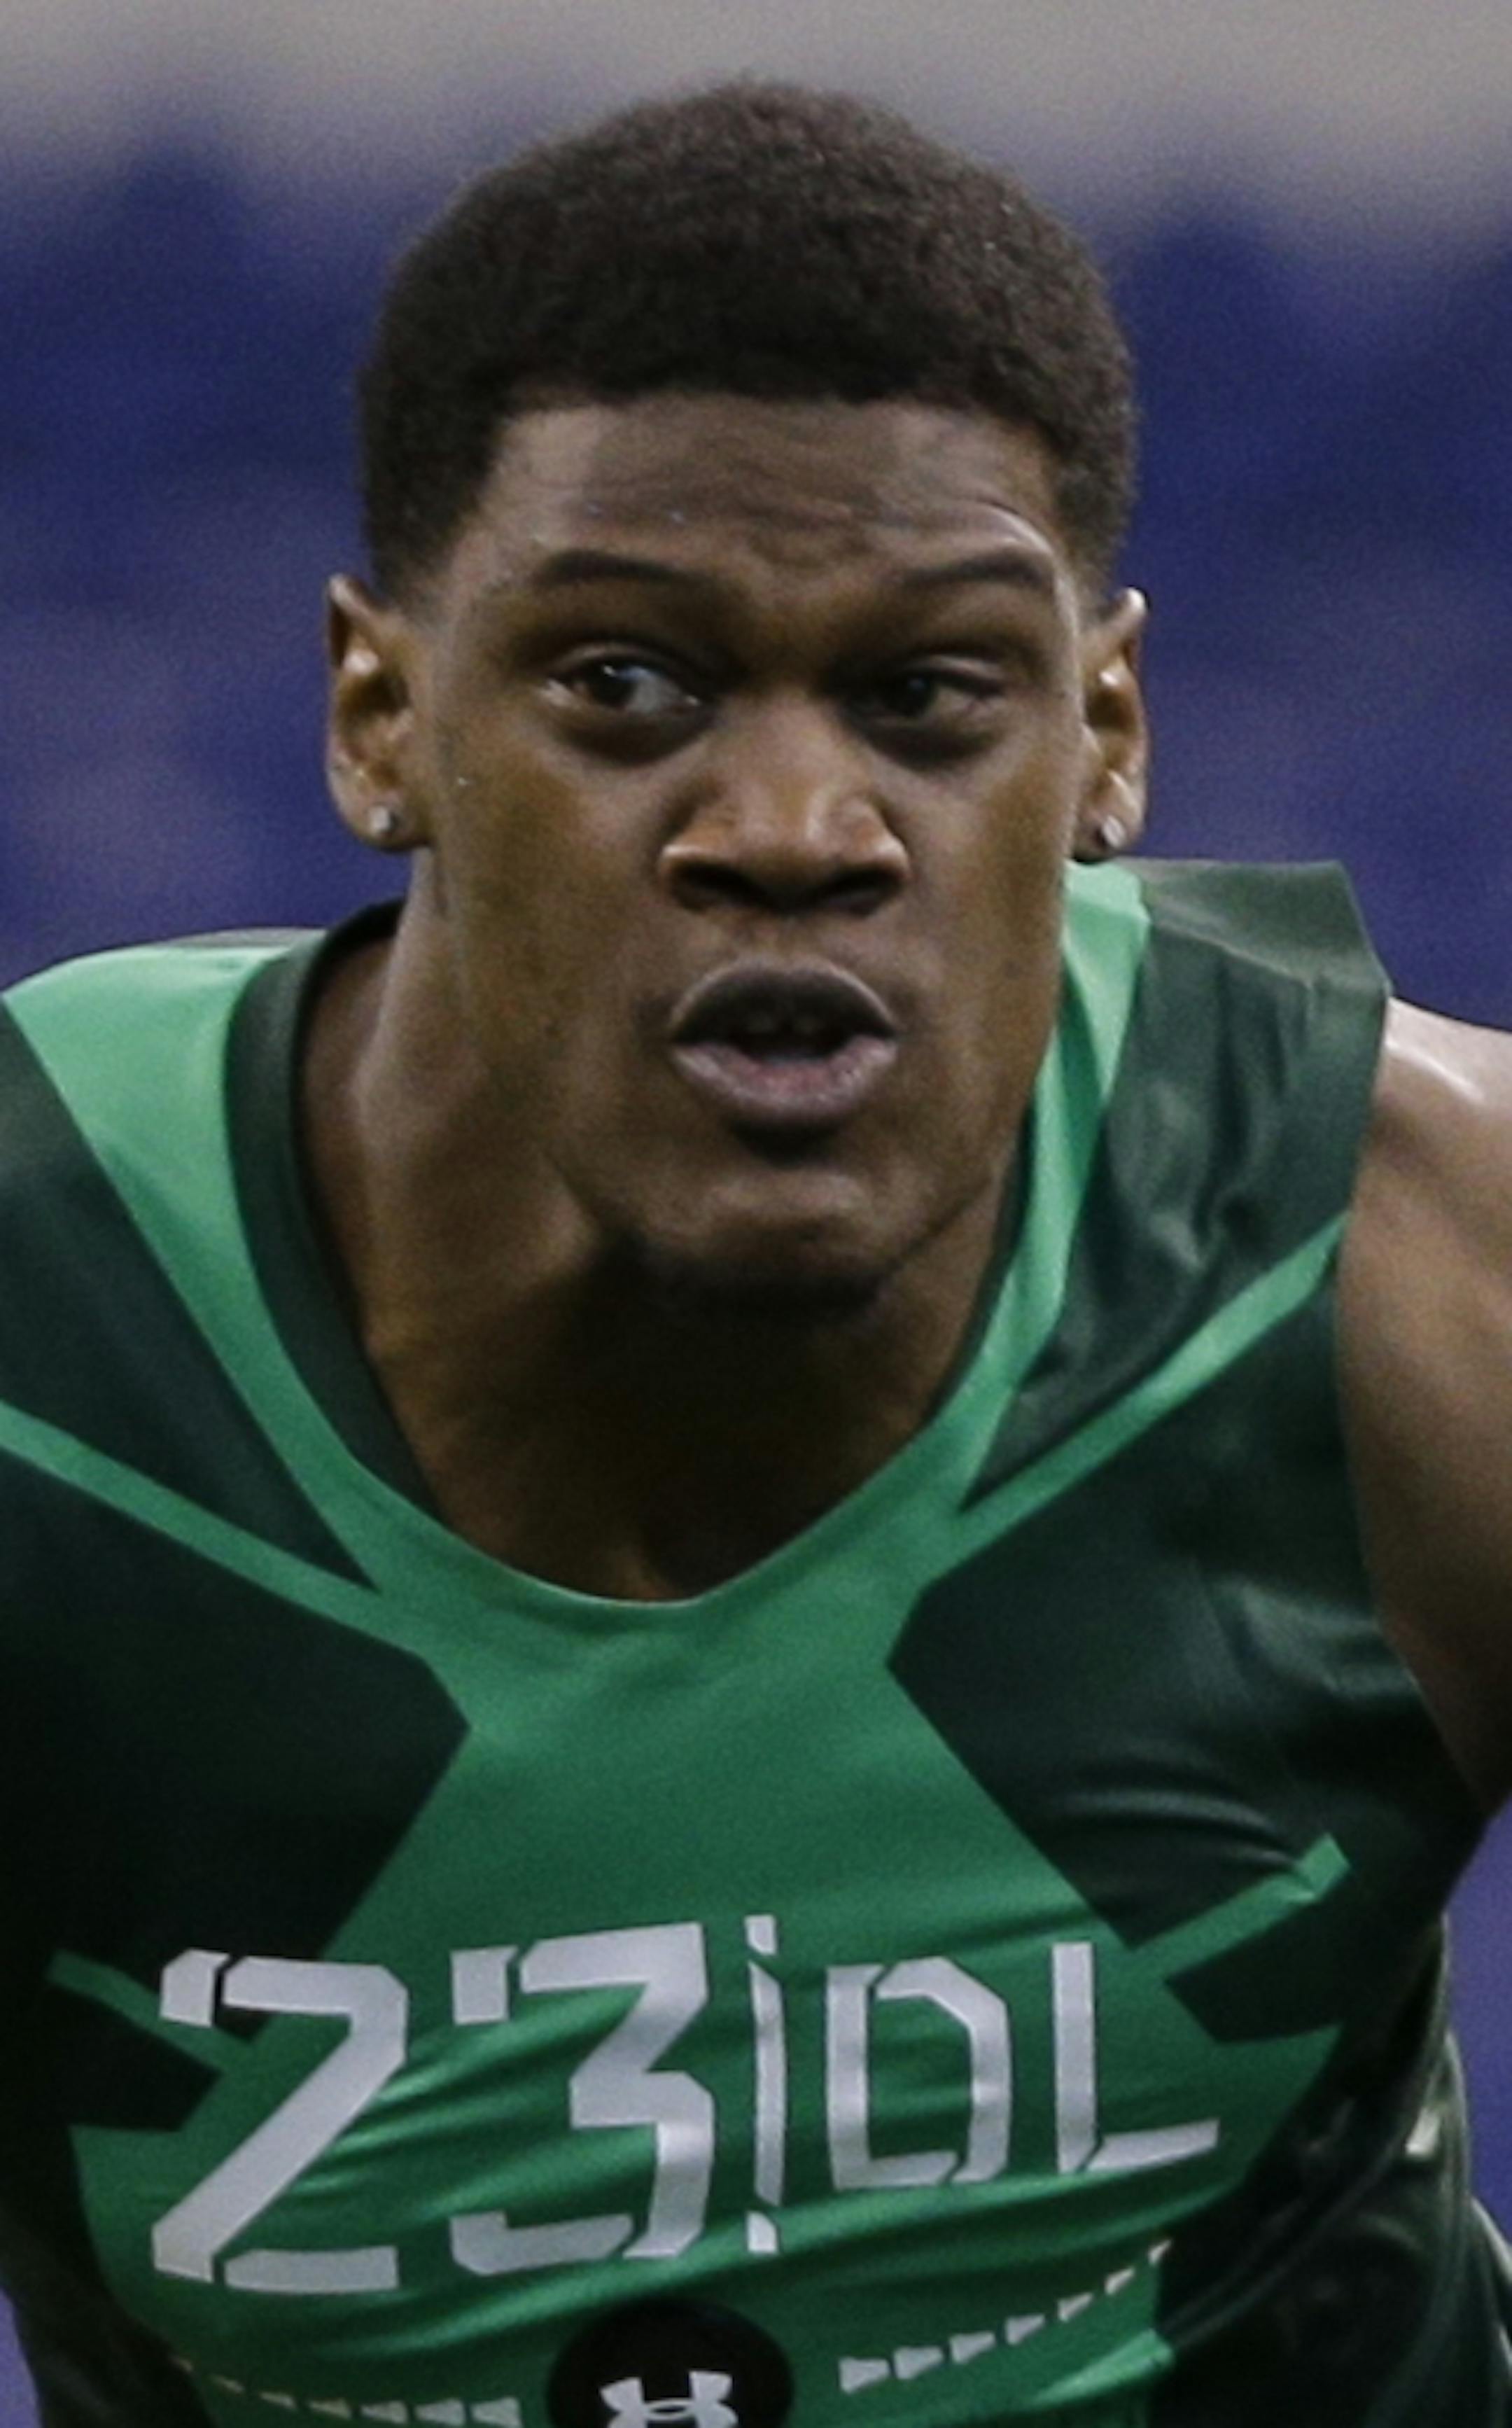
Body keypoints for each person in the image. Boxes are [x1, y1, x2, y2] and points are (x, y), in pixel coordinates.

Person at [1, 77, 1511, 2428]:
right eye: (627, 683)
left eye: (928, 696)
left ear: (1104, 739)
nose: (793, 830)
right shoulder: (46, 1362)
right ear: (379, 713)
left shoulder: (1415, 1270)